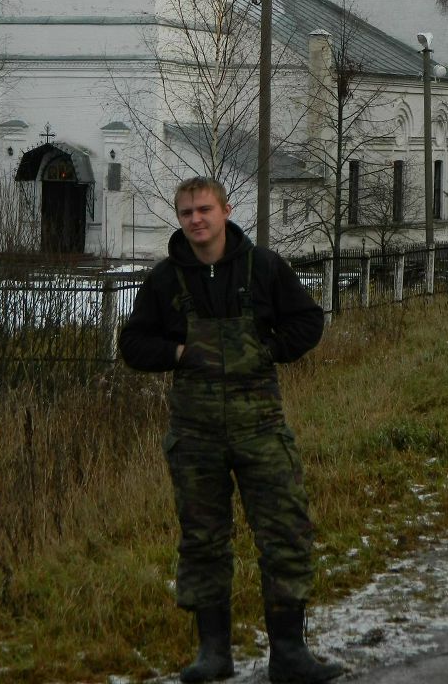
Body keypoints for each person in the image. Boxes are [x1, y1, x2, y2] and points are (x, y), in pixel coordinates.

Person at [119, 177, 341, 684]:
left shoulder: (263, 268)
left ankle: (289, 652)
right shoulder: (164, 281)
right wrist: (176, 353)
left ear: (225, 210)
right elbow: (132, 344)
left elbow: (308, 321)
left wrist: (268, 349)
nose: (196, 220)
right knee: (203, 540)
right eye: (186, 212)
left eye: (204, 210)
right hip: (195, 436)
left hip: (260, 427)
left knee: (285, 532)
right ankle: (213, 654)